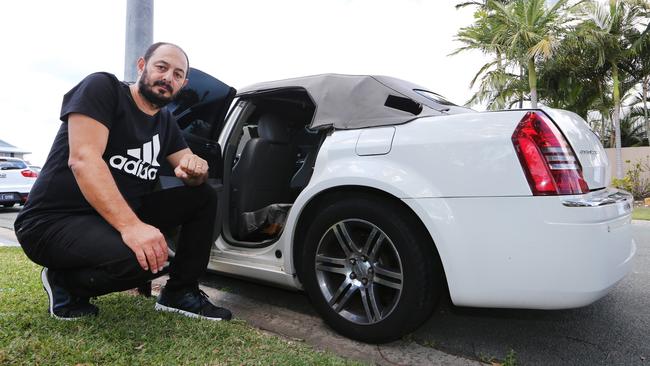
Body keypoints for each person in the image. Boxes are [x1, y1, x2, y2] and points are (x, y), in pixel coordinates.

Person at [14, 42, 232, 321]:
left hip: (114, 216)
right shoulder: (103, 88)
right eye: (161, 67)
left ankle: (180, 293)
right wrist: (132, 227)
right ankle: (64, 283)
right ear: (142, 66)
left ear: (183, 84)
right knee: (145, 261)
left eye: (178, 74)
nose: (168, 78)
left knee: (202, 195)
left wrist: (197, 167)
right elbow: (83, 159)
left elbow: (189, 170)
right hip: (53, 221)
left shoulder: (165, 122)